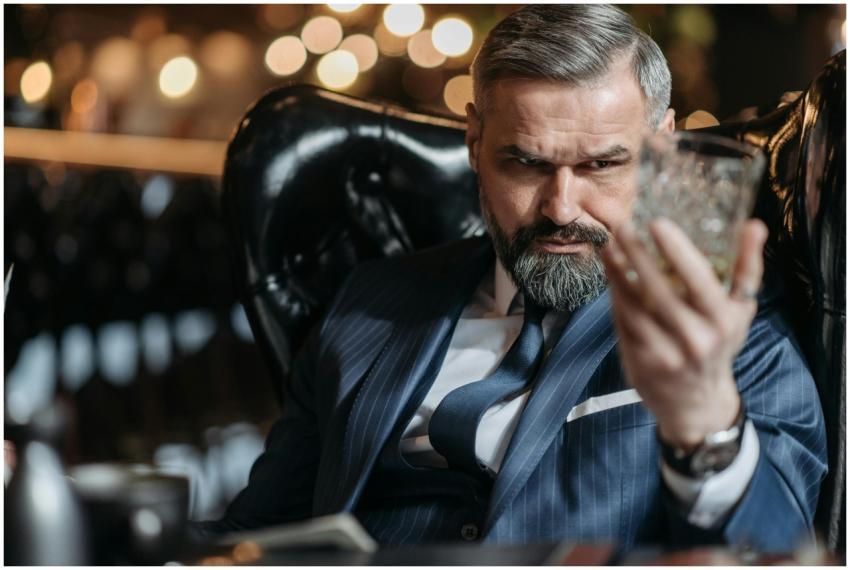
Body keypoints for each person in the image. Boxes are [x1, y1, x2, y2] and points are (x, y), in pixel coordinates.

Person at [196, 4, 826, 552]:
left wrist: (705, 424)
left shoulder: (726, 322)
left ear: (662, 149)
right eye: (525, 163)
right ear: (474, 142)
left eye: (601, 165)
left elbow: (777, 553)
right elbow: (257, 531)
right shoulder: (370, 300)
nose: (560, 207)